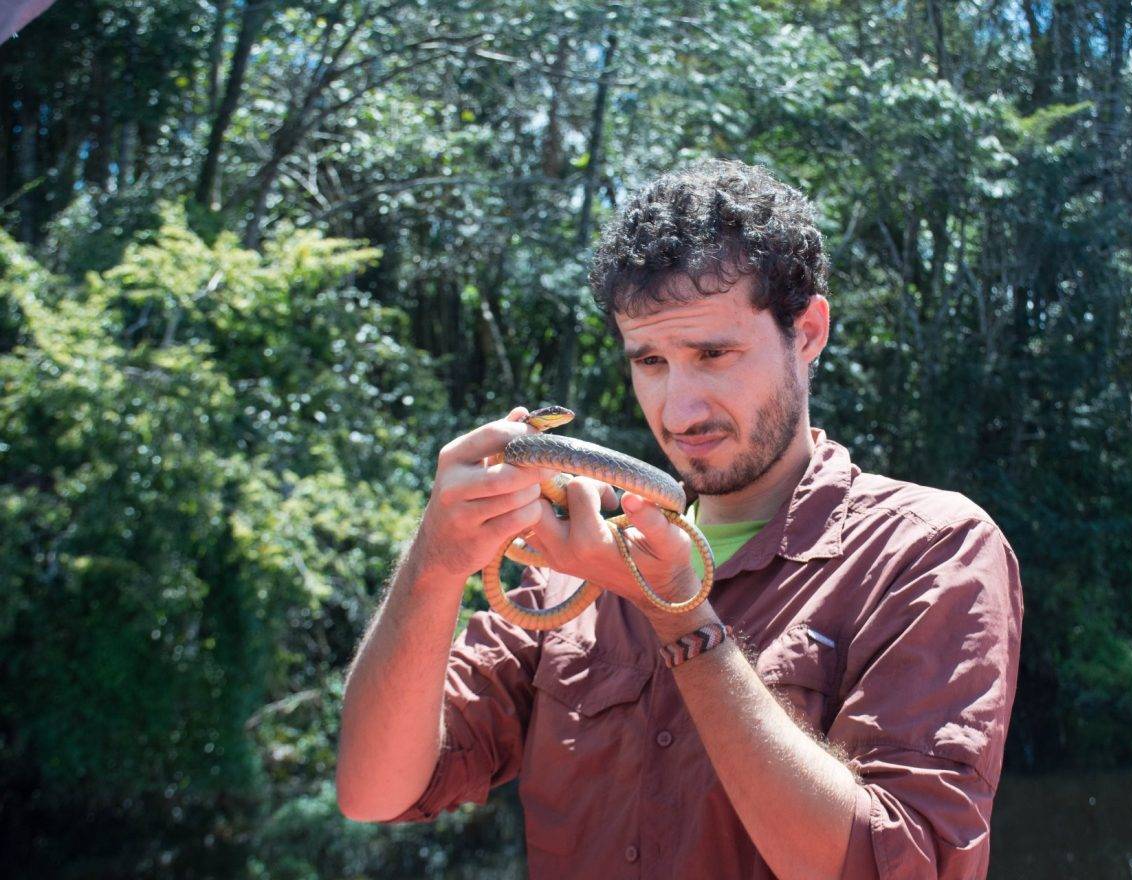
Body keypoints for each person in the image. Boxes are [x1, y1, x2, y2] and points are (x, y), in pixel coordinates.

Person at [336, 159, 1023, 879]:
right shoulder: (575, 570)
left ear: (808, 331)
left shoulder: (930, 550)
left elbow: (897, 867)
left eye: (714, 354)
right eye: (651, 362)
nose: (679, 408)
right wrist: (435, 560)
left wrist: (676, 611)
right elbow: (376, 791)